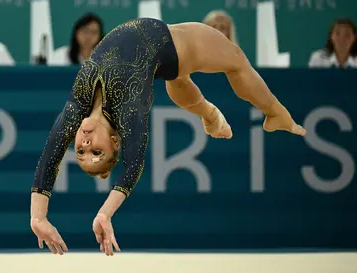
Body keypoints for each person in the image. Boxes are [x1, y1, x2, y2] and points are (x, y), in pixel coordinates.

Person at [30, 18, 306, 256]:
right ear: (115, 142)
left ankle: (210, 115)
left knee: (179, 81)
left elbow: (51, 153)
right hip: (177, 45)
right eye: (96, 154)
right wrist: (105, 213)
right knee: (235, 60)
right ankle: (276, 113)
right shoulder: (129, 107)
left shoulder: (79, 104)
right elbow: (134, 163)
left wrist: (38, 216)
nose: (86, 146)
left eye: (80, 152)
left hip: (162, 52)